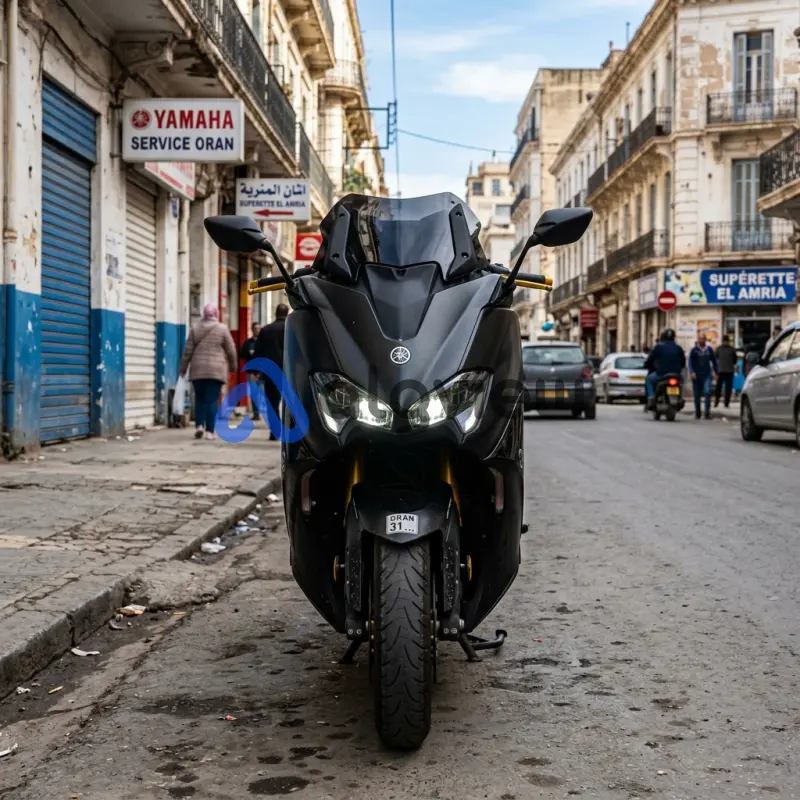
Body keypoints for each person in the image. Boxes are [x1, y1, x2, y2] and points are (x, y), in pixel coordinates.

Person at [179, 304, 237, 440]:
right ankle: (210, 431)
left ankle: (199, 425)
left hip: (198, 370)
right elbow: (231, 350)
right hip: (216, 371)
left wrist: (182, 369)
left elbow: (187, 351)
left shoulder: (195, 328)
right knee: (212, 400)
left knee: (199, 399)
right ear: (216, 313)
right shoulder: (222, 329)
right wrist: (233, 367)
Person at [255, 303, 289, 441]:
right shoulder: (291, 328)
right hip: (289, 372)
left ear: (275, 313)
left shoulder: (266, 330)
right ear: (287, 314)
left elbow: (259, 351)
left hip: (270, 372)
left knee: (272, 403)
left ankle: (275, 432)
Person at [644, 328, 687, 411]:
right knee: (681, 382)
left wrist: (646, 365)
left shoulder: (658, 347)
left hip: (661, 374)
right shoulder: (678, 348)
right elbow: (683, 361)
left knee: (648, 379)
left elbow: (650, 359)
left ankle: (651, 397)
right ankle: (680, 396)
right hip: (676, 374)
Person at [689, 332, 719, 420]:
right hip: (696, 375)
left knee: (707, 392)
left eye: (703, 338)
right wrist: (692, 371)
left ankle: (707, 413)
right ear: (697, 340)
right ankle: (698, 412)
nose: (701, 340)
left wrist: (716, 372)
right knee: (697, 394)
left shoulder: (709, 349)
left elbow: (714, 361)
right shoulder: (694, 350)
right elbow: (690, 361)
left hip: (707, 374)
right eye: (700, 338)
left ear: (705, 340)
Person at [240, 321, 262, 420]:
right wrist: (249, 353)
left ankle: (261, 411)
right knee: (254, 393)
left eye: (259, 328)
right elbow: (241, 355)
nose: (257, 330)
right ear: (252, 330)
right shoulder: (248, 343)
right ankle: (256, 413)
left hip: (262, 372)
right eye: (255, 328)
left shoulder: (263, 342)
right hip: (251, 372)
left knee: (262, 393)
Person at [714, 334, 736, 408]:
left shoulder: (719, 348)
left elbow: (715, 357)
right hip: (728, 371)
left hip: (722, 371)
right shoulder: (732, 349)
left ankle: (718, 402)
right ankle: (725, 403)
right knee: (726, 388)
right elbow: (735, 360)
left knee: (720, 388)